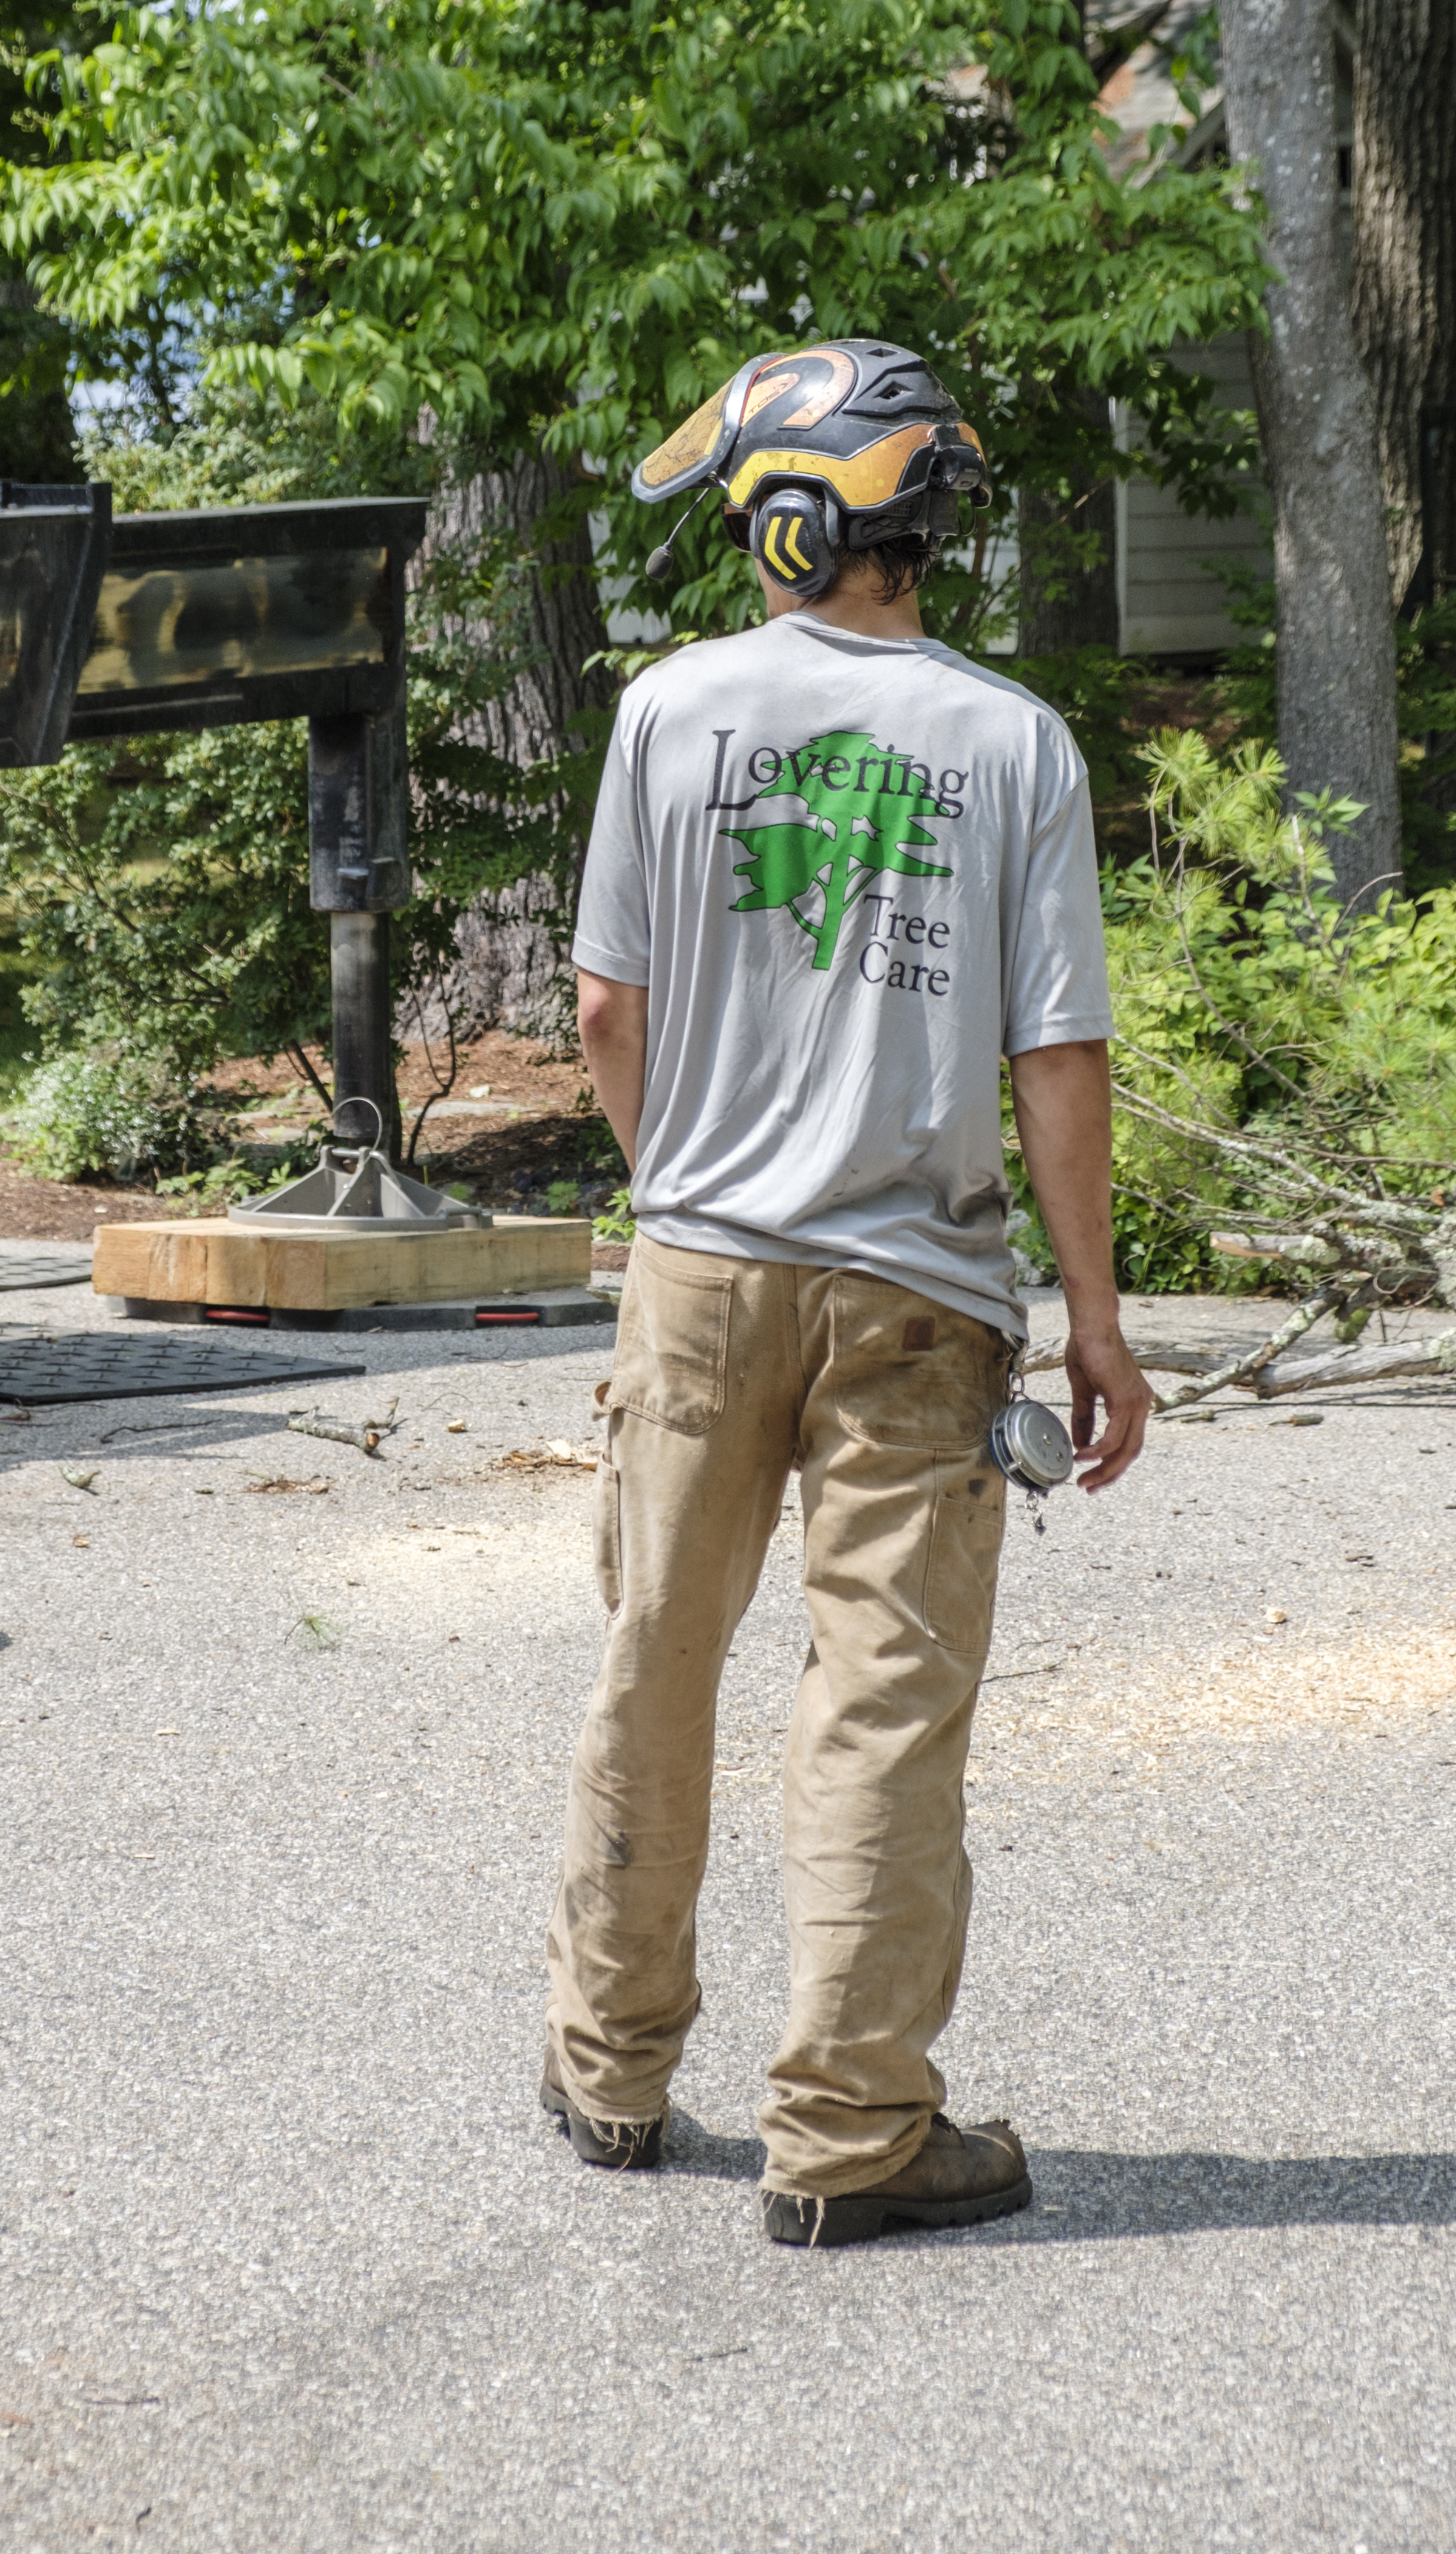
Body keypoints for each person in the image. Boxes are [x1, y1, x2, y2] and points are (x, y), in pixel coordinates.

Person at [540, 339, 1153, 2249]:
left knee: (658, 1655)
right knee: (883, 1698)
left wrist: (686, 1202)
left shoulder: (668, 712)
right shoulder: (1012, 743)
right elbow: (1058, 1060)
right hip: (918, 1297)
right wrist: (1099, 1318)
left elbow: (602, 1012)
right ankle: (854, 2130)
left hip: (700, 1271)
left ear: (795, 511)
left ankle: (608, 2066)